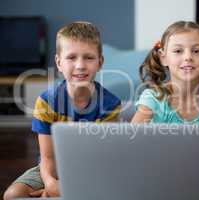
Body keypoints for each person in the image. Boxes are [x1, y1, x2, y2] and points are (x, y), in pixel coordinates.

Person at [3, 21, 121, 199]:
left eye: (88, 57)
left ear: (100, 62)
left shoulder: (110, 104)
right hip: (51, 168)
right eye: (71, 57)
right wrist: (50, 184)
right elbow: (47, 157)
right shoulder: (46, 101)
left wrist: (65, 188)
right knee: (12, 195)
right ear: (58, 62)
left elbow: (99, 158)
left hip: (91, 170)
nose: (80, 65)